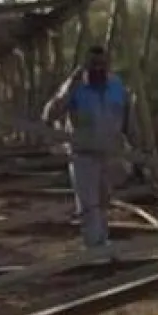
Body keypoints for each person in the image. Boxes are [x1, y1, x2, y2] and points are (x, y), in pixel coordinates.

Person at [42, 46, 131, 251]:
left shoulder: (117, 86)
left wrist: (135, 147)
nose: (97, 69)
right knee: (89, 203)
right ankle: (94, 246)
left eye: (102, 64)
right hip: (83, 156)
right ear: (85, 66)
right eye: (93, 65)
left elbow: (127, 117)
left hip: (111, 153)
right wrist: (68, 88)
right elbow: (49, 114)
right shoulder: (75, 87)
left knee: (103, 200)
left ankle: (102, 241)